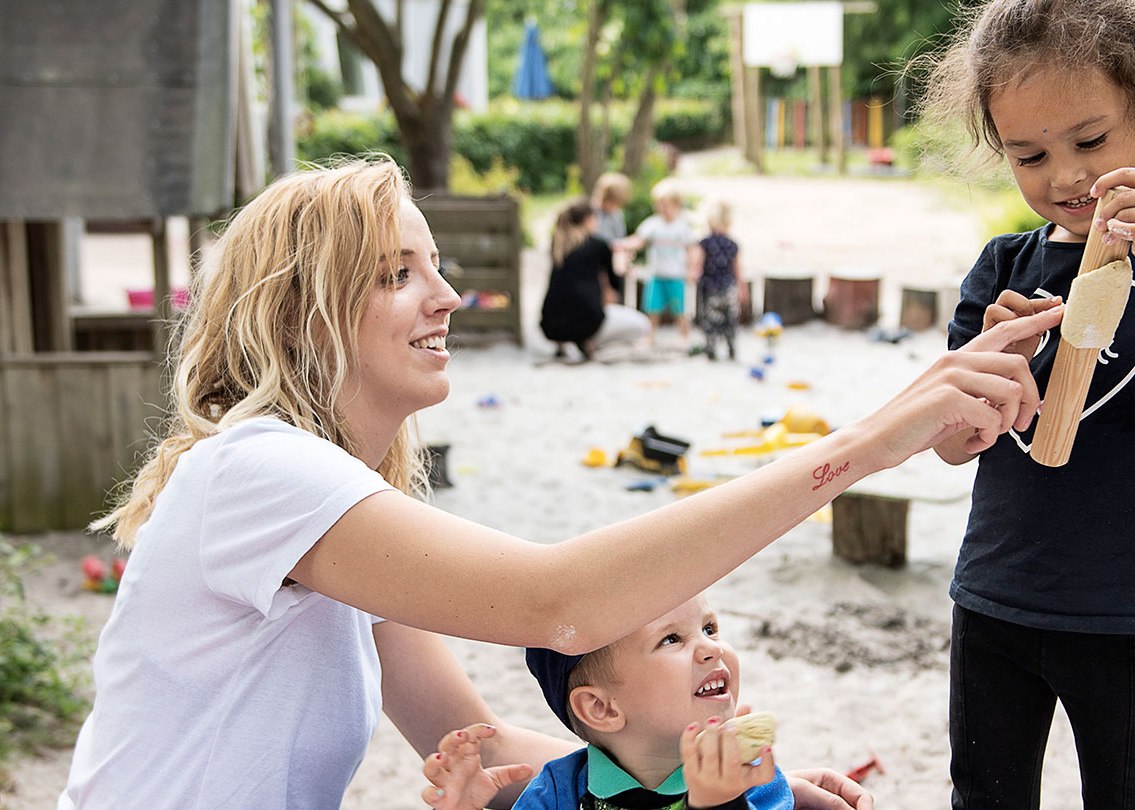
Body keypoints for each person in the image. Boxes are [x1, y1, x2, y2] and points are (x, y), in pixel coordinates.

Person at [56, 156, 1064, 809]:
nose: (448, 295)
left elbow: (476, 739)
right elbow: (563, 608)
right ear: (303, 315)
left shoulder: (329, 499)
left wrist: (745, 783)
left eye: (437, 265)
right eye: (397, 273)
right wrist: (872, 440)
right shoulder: (255, 472)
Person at [921, 1, 1135, 807]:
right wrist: (996, 364)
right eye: (1028, 155)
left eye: (1090, 140)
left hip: (1134, 616)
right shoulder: (1005, 267)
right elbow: (950, 443)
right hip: (998, 598)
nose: (1066, 176)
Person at [422, 594, 789, 809]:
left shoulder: (752, 778)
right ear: (602, 708)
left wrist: (720, 804)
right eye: (671, 639)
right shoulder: (558, 793)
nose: (712, 648)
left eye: (709, 628)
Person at [540, 198, 650, 362]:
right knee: (642, 325)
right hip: (589, 321)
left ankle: (566, 343)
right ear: (588, 219)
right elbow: (614, 284)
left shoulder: (558, 244)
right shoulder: (598, 245)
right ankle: (589, 341)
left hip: (550, 325)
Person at [626, 179, 700, 346]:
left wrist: (691, 269)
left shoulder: (682, 227)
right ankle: (650, 336)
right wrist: (623, 245)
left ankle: (684, 334)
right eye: (659, 204)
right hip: (656, 274)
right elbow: (639, 240)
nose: (663, 209)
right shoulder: (652, 224)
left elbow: (692, 249)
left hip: (675, 275)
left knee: (679, 308)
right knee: (653, 307)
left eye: (666, 205)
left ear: (677, 205)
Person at [693, 199, 747, 361]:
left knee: (711, 320)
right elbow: (738, 269)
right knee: (729, 319)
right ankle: (731, 348)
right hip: (728, 288)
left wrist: (693, 275)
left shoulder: (704, 242)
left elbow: (698, 263)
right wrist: (742, 288)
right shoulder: (733, 244)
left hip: (710, 288)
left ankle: (711, 349)